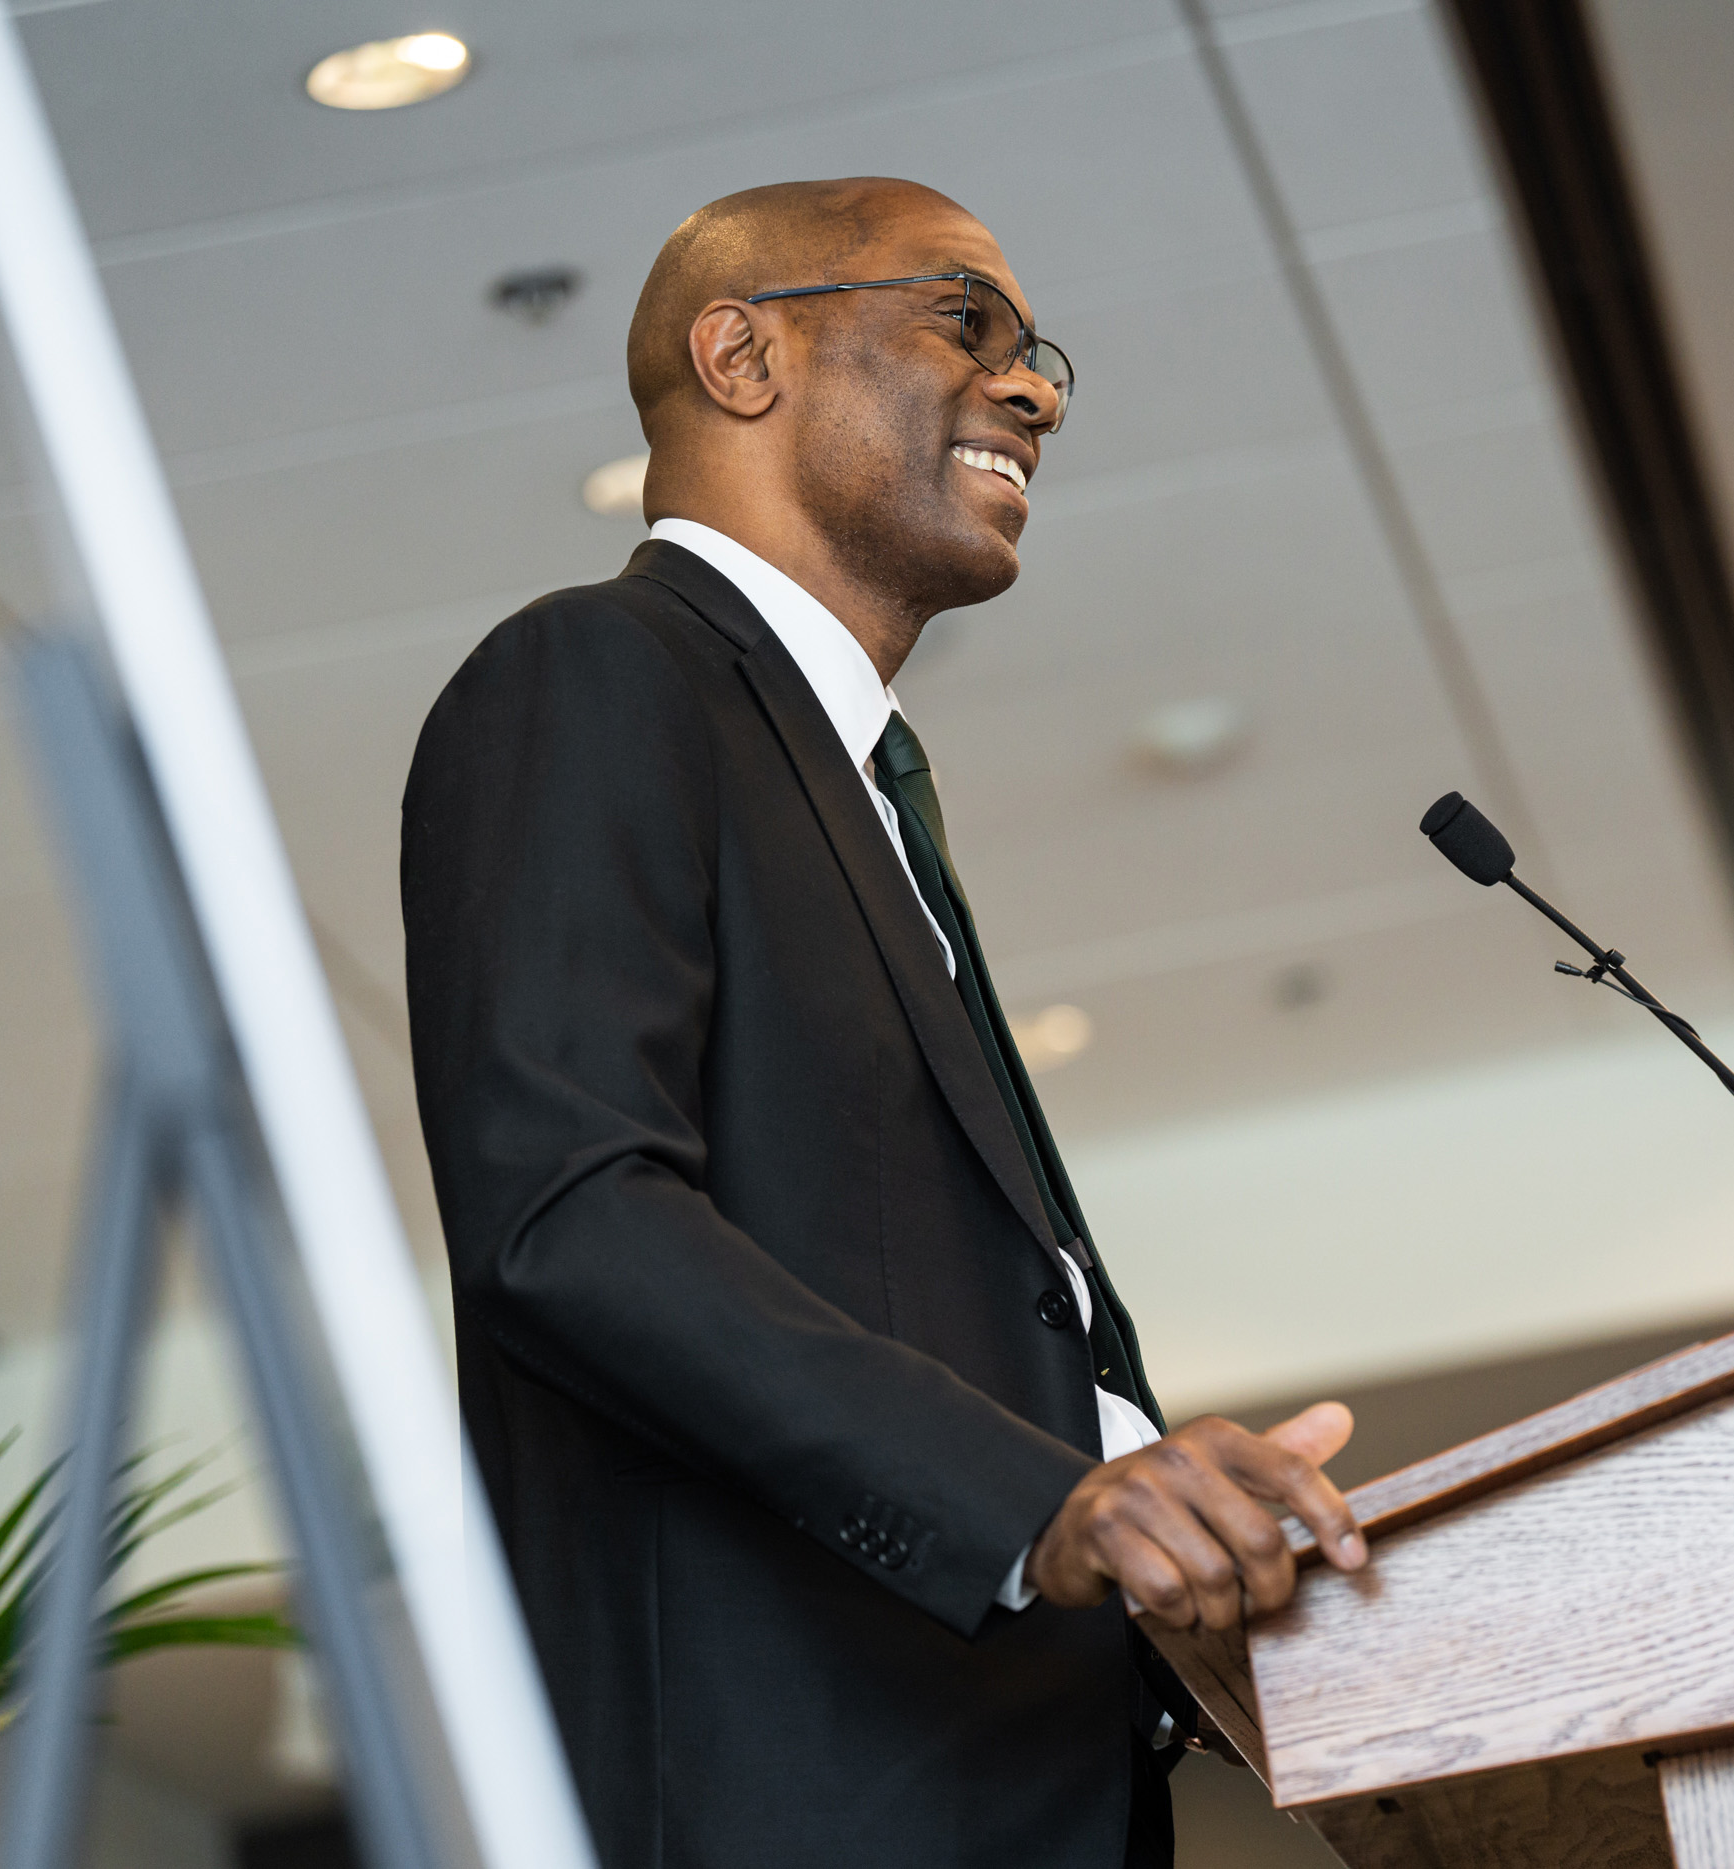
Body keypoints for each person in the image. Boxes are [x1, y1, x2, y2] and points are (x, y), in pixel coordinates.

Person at [400, 178, 1369, 1868]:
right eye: (964, 323)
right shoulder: (597, 675)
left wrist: (1140, 1470)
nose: (1036, 389)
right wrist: (1036, 1500)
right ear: (743, 351)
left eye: (1038, 354)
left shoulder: (856, 786)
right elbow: (568, 1214)